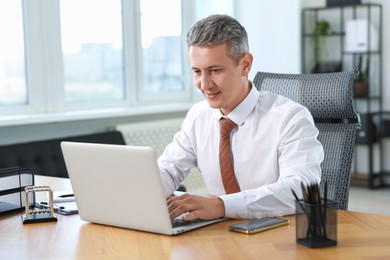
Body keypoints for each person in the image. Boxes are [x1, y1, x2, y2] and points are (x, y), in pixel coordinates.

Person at [158, 14, 323, 221]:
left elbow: (301, 189)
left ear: (245, 64)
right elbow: (168, 169)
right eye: (197, 72)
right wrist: (142, 190)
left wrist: (222, 206)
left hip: (276, 234)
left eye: (215, 70)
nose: (204, 84)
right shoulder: (198, 116)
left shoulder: (291, 118)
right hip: (217, 233)